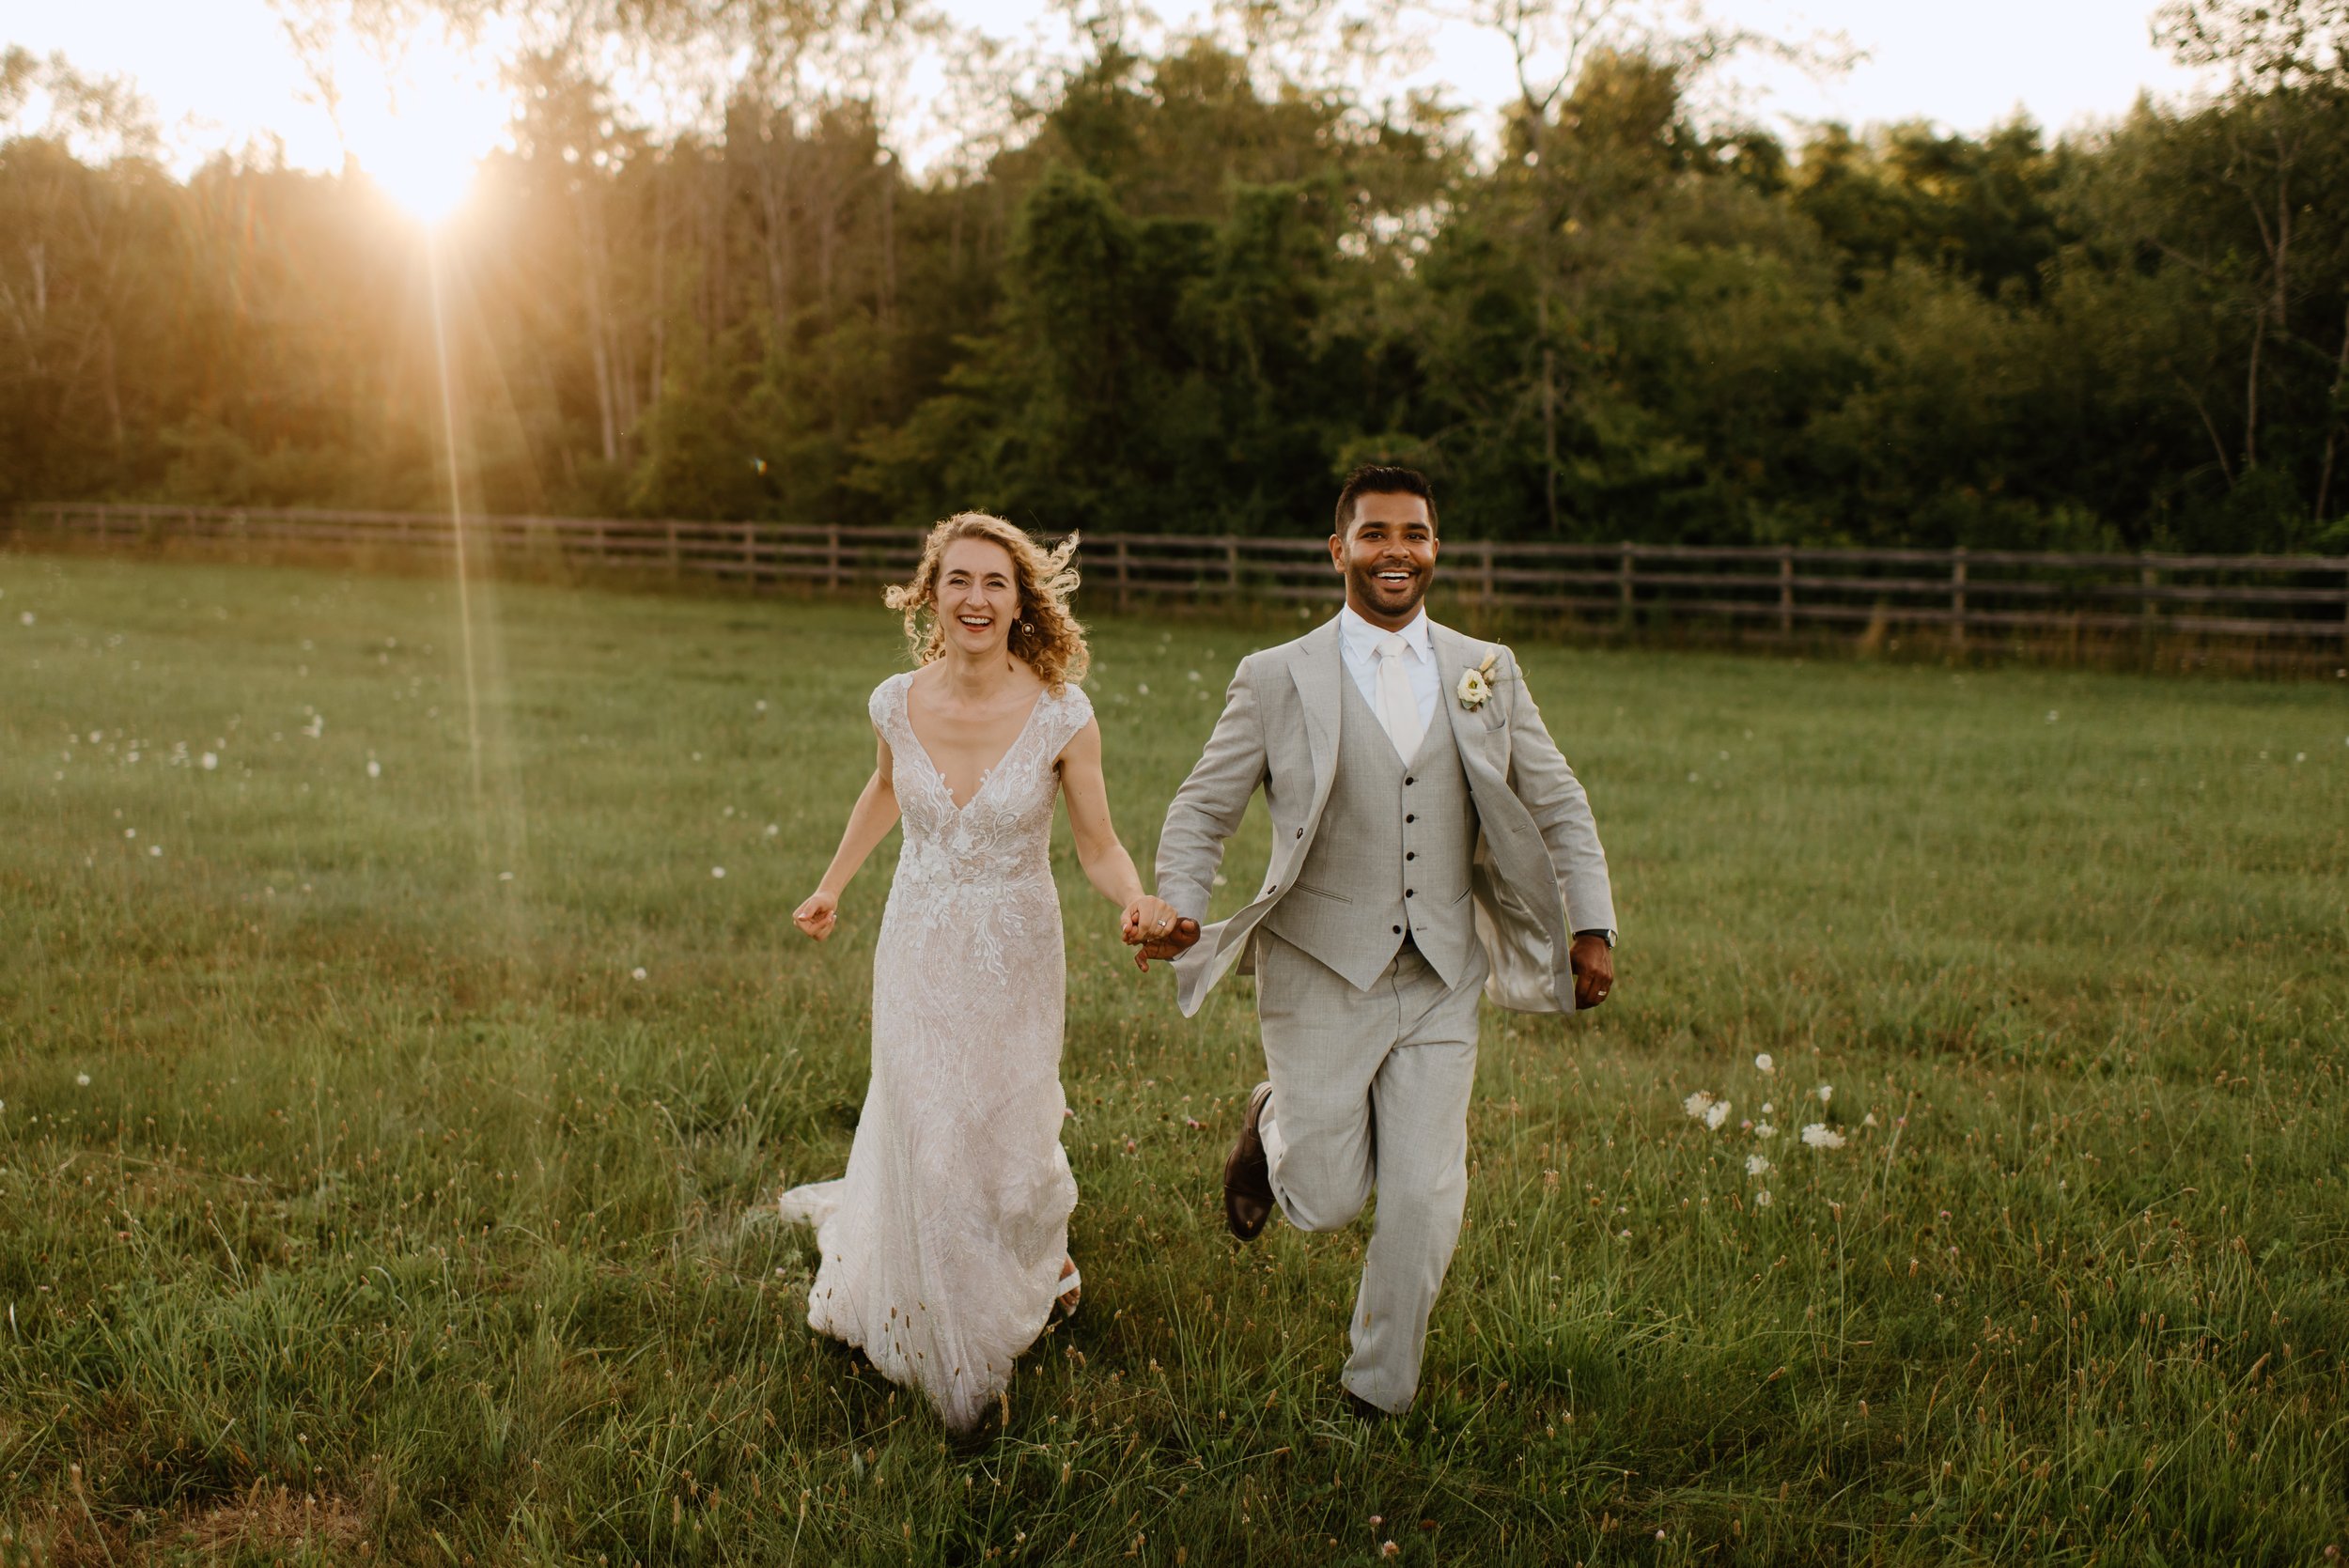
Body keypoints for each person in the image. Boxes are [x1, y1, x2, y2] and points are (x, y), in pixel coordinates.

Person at [1130, 464, 1618, 1418]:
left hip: (1440, 969)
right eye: (1377, 533)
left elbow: (1557, 799)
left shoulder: (1487, 669)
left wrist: (1589, 922)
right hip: (1319, 967)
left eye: (1416, 534)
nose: (1397, 550)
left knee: (1427, 1192)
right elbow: (1202, 807)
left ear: (1435, 548)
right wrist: (1180, 902)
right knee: (1326, 1200)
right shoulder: (1275, 677)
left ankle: (1376, 1390)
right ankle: (1271, 1128)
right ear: (1339, 549)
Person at [783, 513, 1178, 1435]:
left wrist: (1136, 899)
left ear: (1019, 600)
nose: (975, 597)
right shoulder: (894, 701)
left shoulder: (1061, 712)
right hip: (918, 942)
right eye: (958, 579)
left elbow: (1098, 843)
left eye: (994, 582)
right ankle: (956, 1361)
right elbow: (885, 787)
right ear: (931, 593)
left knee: (998, 1135)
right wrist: (832, 884)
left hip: (1015, 952)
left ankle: (1027, 1260)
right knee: (924, 1122)